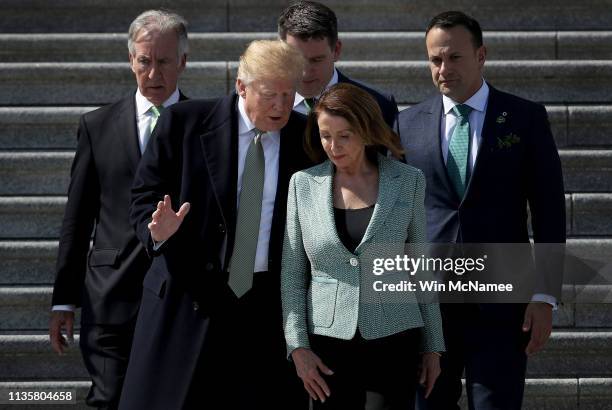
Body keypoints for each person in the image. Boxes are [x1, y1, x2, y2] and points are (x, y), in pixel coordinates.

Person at [119, 40, 311, 410]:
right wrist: (156, 231)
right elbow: (144, 196)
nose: (281, 106)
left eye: (289, 95)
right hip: (189, 298)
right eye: (271, 95)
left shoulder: (305, 136)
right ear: (242, 85)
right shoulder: (185, 123)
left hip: (264, 307)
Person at [397, 11, 566, 409]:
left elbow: (549, 211)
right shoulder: (407, 124)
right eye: (435, 60)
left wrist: (544, 295)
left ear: (481, 55)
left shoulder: (525, 118)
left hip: (503, 307)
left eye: (454, 58)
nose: (443, 69)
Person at [48, 9, 188, 409]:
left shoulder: (205, 125)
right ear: (131, 60)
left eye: (163, 61)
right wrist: (63, 299)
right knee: (109, 400)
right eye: (144, 61)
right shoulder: (98, 125)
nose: (153, 72)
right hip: (110, 295)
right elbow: (77, 217)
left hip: (179, 296)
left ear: (183, 62)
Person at [281, 83, 445, 410]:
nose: (333, 146)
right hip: (326, 344)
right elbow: (293, 273)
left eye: (345, 135)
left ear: (367, 131)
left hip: (394, 337)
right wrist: (297, 346)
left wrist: (433, 346)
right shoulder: (302, 185)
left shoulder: (408, 180)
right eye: (326, 135)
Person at [278, 1, 398, 128]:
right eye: (296, 60)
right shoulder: (263, 105)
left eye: (316, 60)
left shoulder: (379, 105)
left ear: (336, 50)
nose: (305, 73)